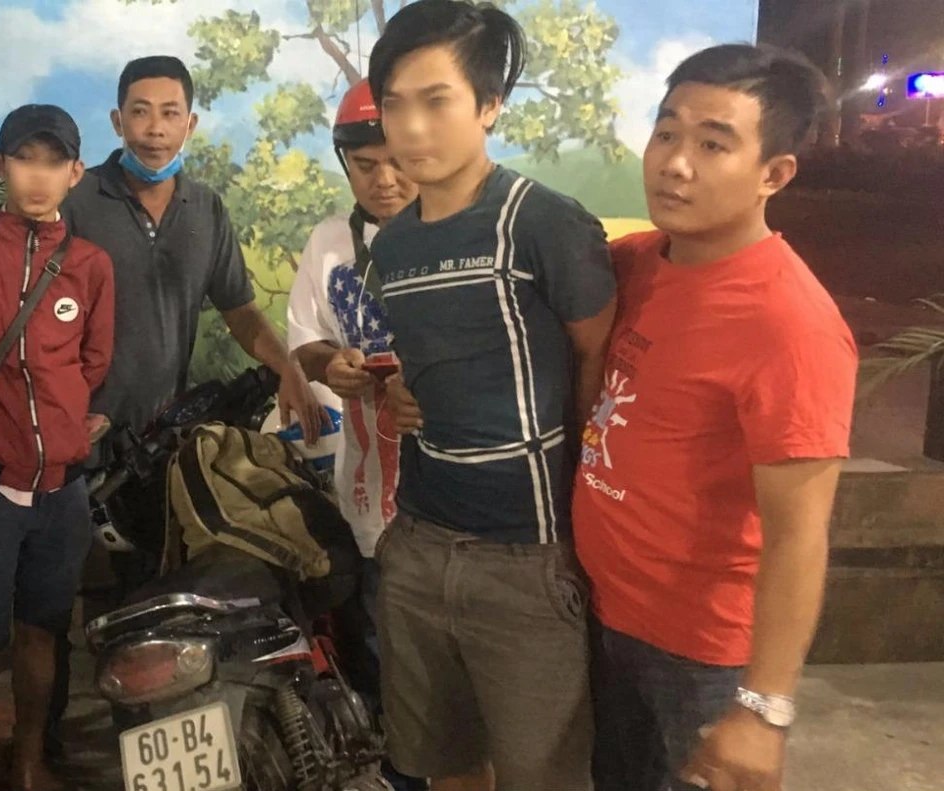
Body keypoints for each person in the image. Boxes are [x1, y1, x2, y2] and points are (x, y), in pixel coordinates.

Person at [0, 55, 324, 755]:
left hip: (160, 449)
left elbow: (240, 309)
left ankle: (149, 753)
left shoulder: (206, 209)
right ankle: (44, 752)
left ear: (190, 123)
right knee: (51, 618)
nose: (154, 128)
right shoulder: (76, 200)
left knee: (152, 605)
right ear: (117, 120)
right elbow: (8, 260)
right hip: (68, 454)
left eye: (170, 112)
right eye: (140, 112)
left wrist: (289, 368)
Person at [572, 44, 859, 791]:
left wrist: (764, 709)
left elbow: (800, 534)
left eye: (712, 144)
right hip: (603, 616)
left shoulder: (790, 324)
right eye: (667, 132)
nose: (675, 163)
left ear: (774, 174)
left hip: (701, 658)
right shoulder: (635, 262)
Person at [368, 2, 617, 789]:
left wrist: (579, 532)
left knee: (542, 775)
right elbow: (428, 359)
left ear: (489, 107)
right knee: (442, 766)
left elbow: (598, 363)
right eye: (394, 104)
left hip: (528, 557)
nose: (411, 128)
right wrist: (399, 388)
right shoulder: (394, 244)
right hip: (419, 543)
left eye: (436, 100)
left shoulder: (543, 223)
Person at [0, 105, 114, 791]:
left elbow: (93, 362)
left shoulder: (91, 266)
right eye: (24, 159)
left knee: (43, 633)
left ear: (75, 172)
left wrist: (64, 421)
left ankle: (31, 764)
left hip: (63, 490)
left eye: (54, 161)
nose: (38, 176)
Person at [286, 78, 422, 791]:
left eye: (397, 160)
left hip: (448, 483)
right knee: (373, 621)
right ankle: (390, 757)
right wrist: (327, 365)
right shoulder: (329, 242)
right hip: (368, 477)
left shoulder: (457, 234)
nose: (384, 179)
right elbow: (305, 336)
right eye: (366, 165)